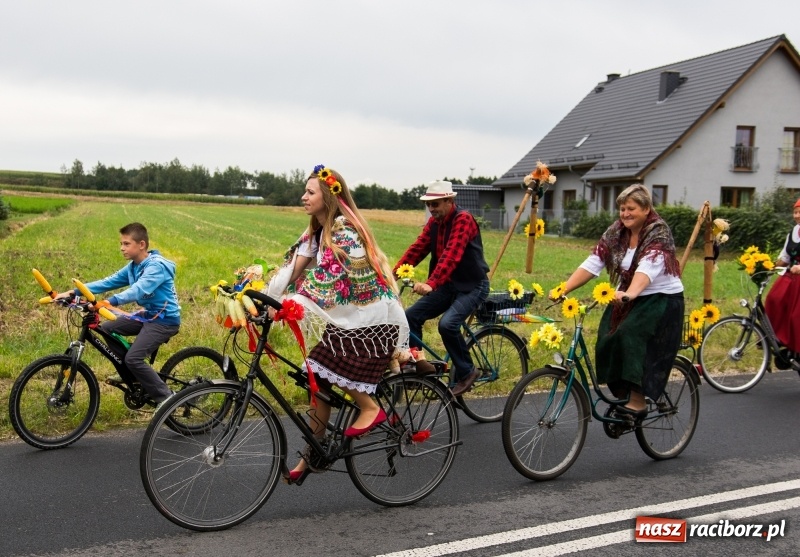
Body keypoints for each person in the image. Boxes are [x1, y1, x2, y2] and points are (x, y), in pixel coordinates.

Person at [265, 164, 409, 485]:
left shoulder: (344, 231)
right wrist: (261, 297)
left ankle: (370, 408)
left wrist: (291, 304)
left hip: (374, 323)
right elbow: (291, 271)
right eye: (304, 191)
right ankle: (311, 457)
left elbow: (329, 278)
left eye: (310, 192)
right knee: (317, 382)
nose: (303, 197)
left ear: (328, 197)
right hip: (353, 323)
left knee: (329, 369)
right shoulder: (316, 232)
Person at [554, 184, 684, 416]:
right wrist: (564, 288)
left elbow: (647, 268)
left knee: (629, 335)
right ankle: (623, 391)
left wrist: (630, 293)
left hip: (661, 298)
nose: (625, 214)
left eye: (631, 208)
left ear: (646, 209)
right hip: (628, 296)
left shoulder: (658, 232)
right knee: (607, 335)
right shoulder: (617, 232)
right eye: (622, 209)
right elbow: (594, 261)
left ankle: (638, 401)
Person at [55, 222, 180, 405]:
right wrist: (73, 293)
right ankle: (132, 373)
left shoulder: (157, 267)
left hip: (165, 321)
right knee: (107, 328)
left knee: (134, 358)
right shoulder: (133, 266)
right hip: (148, 314)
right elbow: (107, 282)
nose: (122, 248)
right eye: (121, 243)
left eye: (126, 244)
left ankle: (168, 400)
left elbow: (137, 290)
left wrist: (108, 302)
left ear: (142, 244)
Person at [393, 180, 490, 397]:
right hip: (449, 285)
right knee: (410, 317)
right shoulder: (434, 224)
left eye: (435, 204)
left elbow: (451, 255)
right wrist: (392, 276)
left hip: (473, 285)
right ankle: (417, 365)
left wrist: (431, 283)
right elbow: (417, 249)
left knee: (448, 324)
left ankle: (468, 371)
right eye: (429, 204)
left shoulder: (463, 219)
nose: (431, 208)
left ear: (449, 201)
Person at [764, 198, 800, 366]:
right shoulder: (793, 232)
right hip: (792, 277)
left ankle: (797, 348)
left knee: (796, 316)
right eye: (795, 212)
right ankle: (777, 339)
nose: (797, 215)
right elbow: (784, 258)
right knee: (774, 299)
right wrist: (765, 267)